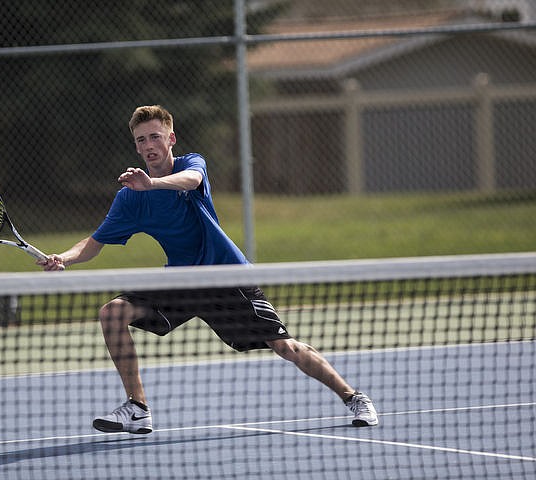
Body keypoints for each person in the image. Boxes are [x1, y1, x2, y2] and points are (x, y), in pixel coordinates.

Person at [39, 105, 378, 434]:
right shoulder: (130, 198)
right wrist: (64, 258)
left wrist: (153, 184)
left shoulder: (190, 164)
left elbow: (191, 179)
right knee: (112, 313)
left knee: (284, 346)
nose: (148, 146)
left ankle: (353, 397)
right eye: (141, 140)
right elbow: (95, 241)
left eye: (154, 137)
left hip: (226, 276)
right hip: (182, 281)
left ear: (171, 139)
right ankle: (137, 408)